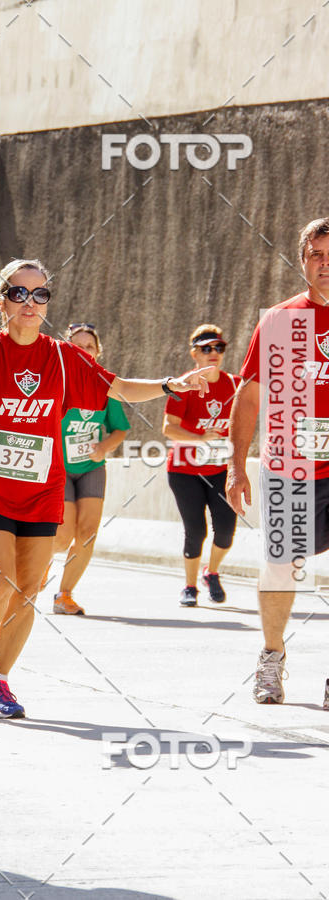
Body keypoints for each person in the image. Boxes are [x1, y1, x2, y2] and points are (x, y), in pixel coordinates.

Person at [0, 258, 211, 719]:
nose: (30, 303)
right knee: (0, 584)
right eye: (19, 293)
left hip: (41, 491)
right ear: (2, 301)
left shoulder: (63, 357)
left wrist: (167, 385)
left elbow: (117, 389)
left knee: (28, 591)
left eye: (40, 294)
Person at [228, 217, 329, 704]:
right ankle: (271, 660)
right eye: (317, 255)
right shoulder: (283, 320)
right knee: (281, 568)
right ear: (302, 259)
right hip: (288, 470)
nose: (325, 264)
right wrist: (235, 467)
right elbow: (248, 397)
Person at [48, 322, 130, 615]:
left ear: (97, 352)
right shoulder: (55, 382)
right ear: (66, 349)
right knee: (62, 536)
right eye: (77, 346)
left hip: (92, 467)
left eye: (89, 347)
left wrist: (103, 447)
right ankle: (37, 566)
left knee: (88, 534)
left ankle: (64, 595)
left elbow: (120, 429)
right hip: (59, 468)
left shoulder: (107, 387)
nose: (84, 351)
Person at [162, 325, 239, 606]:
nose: (214, 354)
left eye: (219, 348)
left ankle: (212, 572)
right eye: (206, 349)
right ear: (194, 353)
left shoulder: (234, 385)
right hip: (184, 472)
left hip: (219, 469)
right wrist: (199, 438)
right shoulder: (184, 385)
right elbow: (168, 429)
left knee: (227, 530)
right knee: (196, 531)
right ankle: (190, 586)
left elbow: (242, 424)